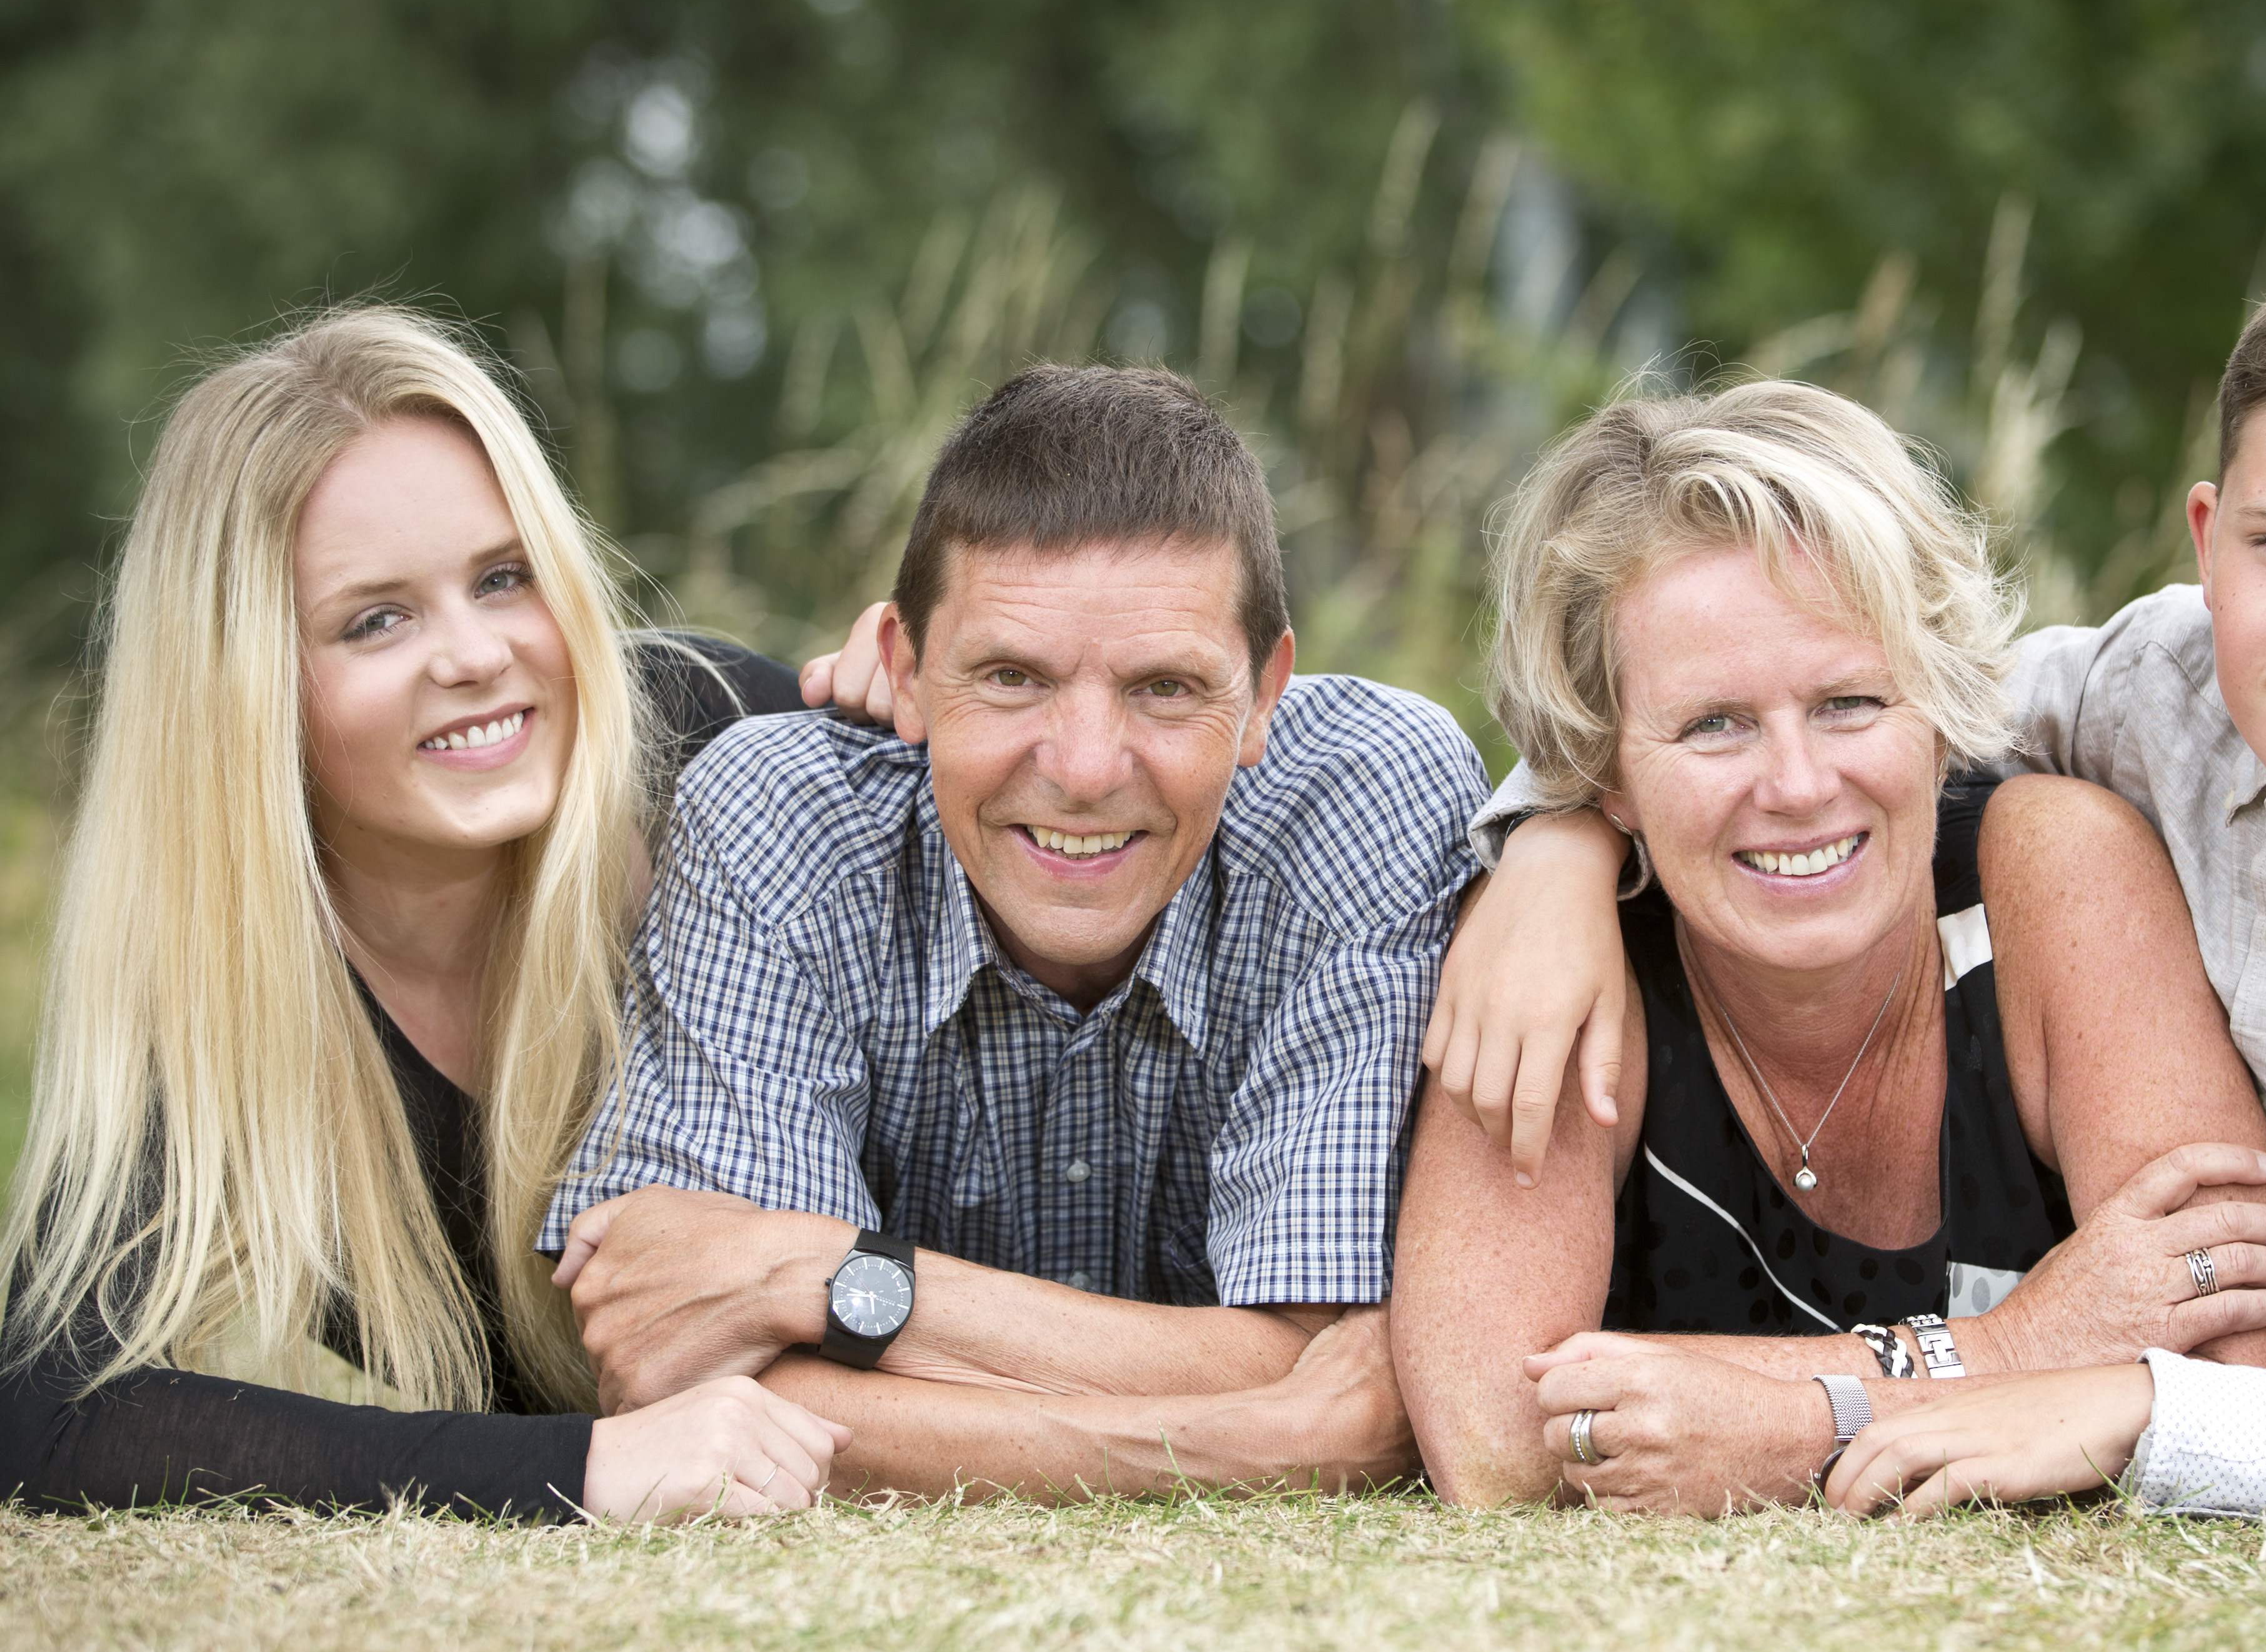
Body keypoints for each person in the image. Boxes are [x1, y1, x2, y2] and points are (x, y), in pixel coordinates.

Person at [1445, 232, 2266, 1520]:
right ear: (2208, 541)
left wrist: (2083, 1404)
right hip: (2205, 1371)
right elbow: (1808, 714)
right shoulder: (2151, 686)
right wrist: (1554, 847)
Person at [542, 363, 1484, 1501]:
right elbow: (696, 1372)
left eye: (1167, 689)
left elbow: (1321, 1350)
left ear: (1267, 689)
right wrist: (1245, 1444)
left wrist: (810, 1274)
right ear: (905, 668)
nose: (1085, 768)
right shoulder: (778, 811)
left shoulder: (1363, 793)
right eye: (1011, 677)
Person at [1387, 379, 2266, 1513]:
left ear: (1936, 707)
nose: (1796, 785)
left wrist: (1781, 1425)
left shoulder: (2051, 874)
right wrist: (2021, 1345)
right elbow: (1496, 1444)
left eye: (1849, 703)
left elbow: (2255, 1361)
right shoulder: (1562, 958)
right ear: (1607, 775)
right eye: (1714, 724)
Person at [0, 306, 854, 1525]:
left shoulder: (718, 739)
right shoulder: (220, 981)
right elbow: (41, 1405)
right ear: (246, 690)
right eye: (376, 620)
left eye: (504, 578)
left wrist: (929, 710)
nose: (473, 654)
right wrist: (581, 1469)